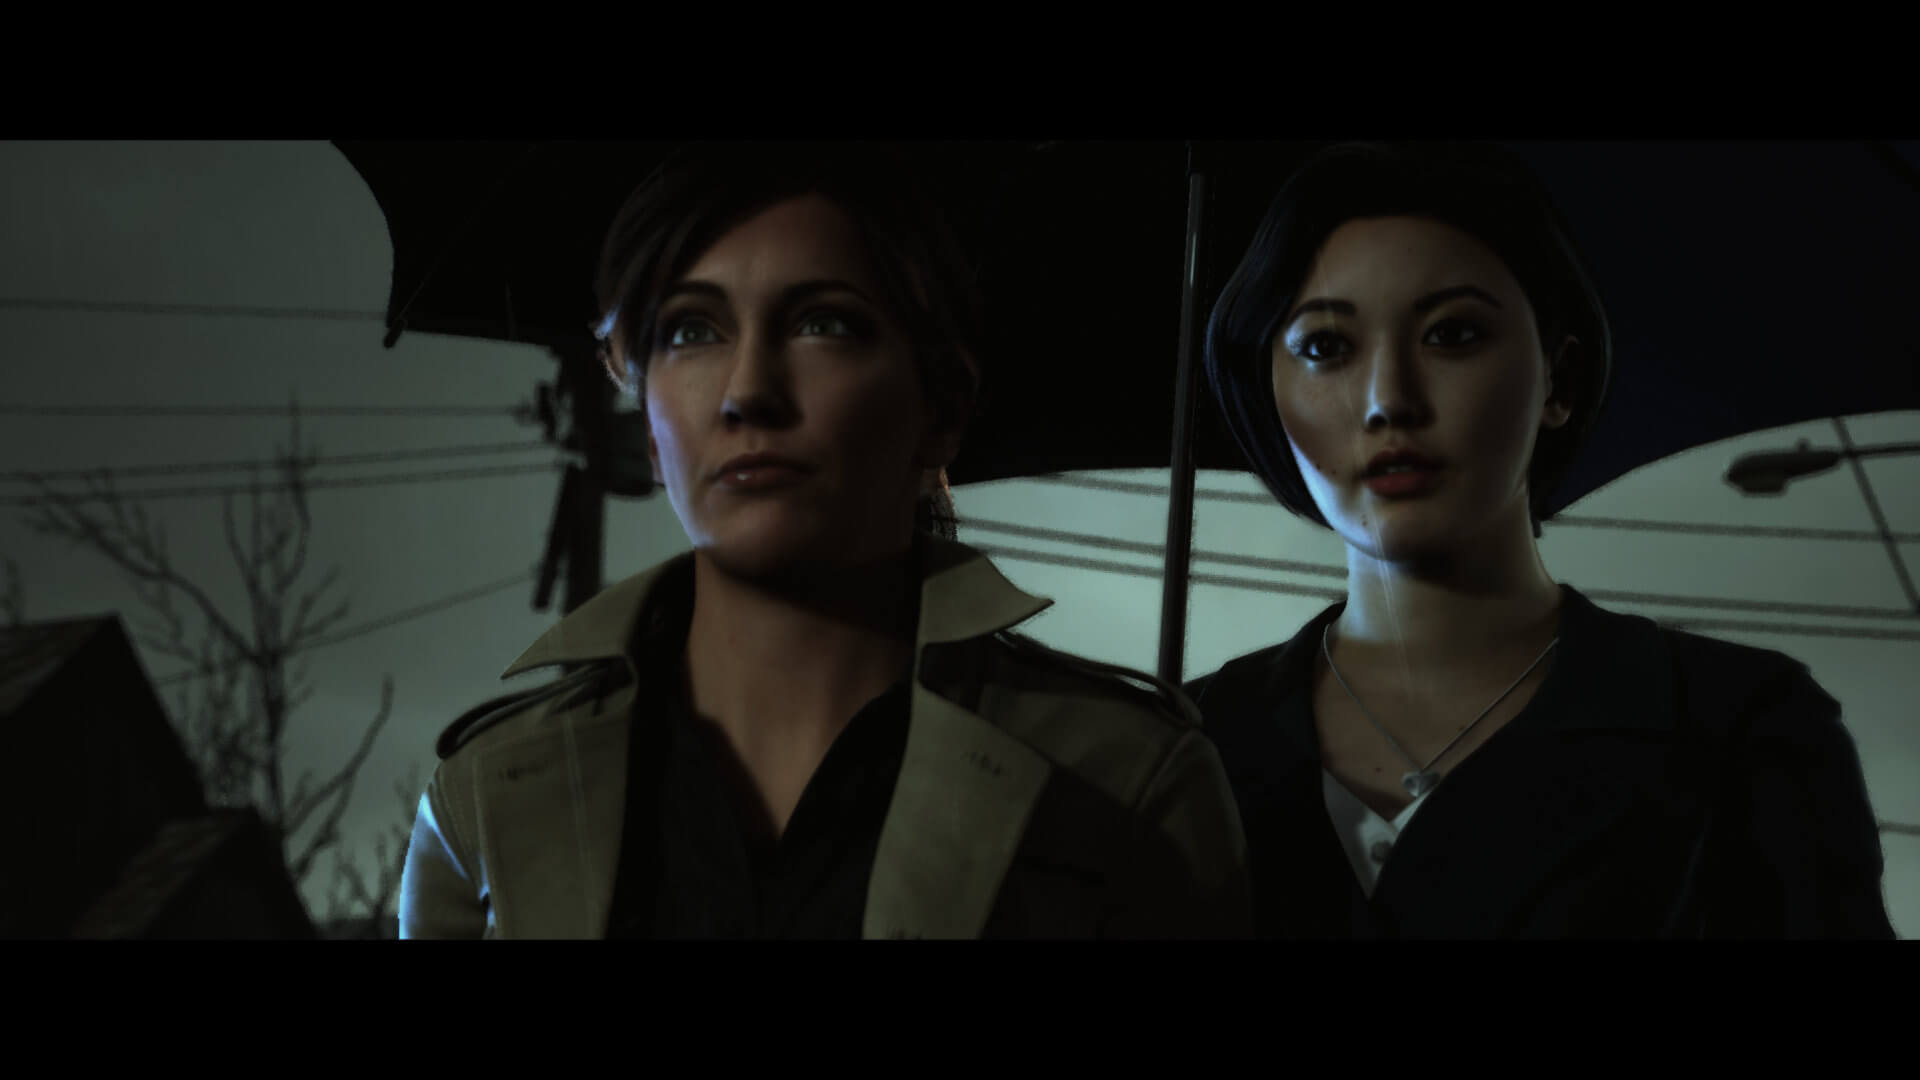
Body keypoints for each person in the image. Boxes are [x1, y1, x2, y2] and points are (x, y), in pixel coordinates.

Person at [400, 143, 1250, 939]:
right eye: (691, 330)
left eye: (824, 324)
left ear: (943, 407)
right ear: (651, 431)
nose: (748, 392)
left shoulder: (1124, 781)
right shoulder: (489, 799)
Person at [1185, 141, 1895, 939]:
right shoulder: (1179, 745)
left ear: (1557, 377)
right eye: (1325, 347)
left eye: (1452, 334)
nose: (1389, 401)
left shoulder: (1742, 729)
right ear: (1267, 387)